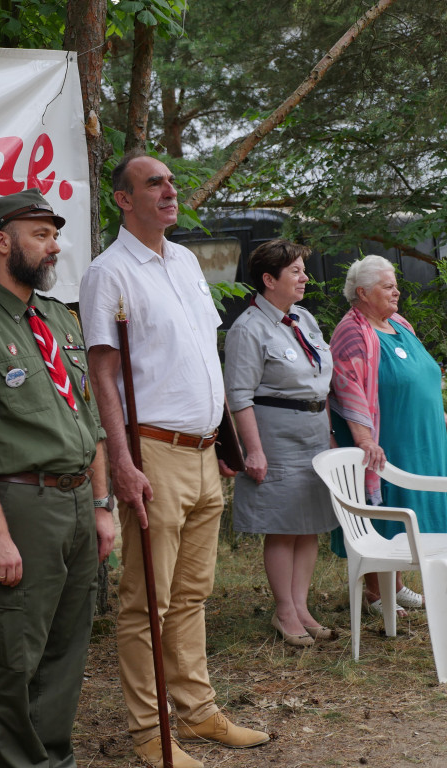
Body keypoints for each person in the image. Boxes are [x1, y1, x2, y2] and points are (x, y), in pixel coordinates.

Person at [79, 150, 270, 768]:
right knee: (146, 601)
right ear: (123, 199)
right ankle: (150, 735)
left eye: (170, 181)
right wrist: (123, 461)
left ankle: (198, 710)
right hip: (152, 452)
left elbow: (201, 357)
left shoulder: (186, 260)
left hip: (202, 451)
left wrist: (221, 439)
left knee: (193, 591)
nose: (168, 190)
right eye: (152, 183)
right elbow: (103, 377)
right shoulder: (108, 273)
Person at [0, 189, 116, 768]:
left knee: (64, 652)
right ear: (2, 241)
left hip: (80, 505)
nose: (54, 246)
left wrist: (104, 504)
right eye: (41, 234)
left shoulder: (58, 319)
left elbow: (89, 418)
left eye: (55, 234)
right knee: (12, 658)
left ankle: (52, 759)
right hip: (22, 507)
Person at [328, 254, 447, 615]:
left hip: (422, 436)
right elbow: (347, 387)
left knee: (413, 506)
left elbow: (422, 374)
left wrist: (440, 411)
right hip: (388, 438)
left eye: (395, 284)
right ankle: (375, 592)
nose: (397, 291)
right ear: (363, 292)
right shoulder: (352, 331)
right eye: (388, 286)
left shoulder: (399, 323)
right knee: (386, 509)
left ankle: (397, 585)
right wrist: (365, 440)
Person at [224, 239, 337, 648]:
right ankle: (284, 610)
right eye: (296, 271)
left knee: (309, 524)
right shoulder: (249, 328)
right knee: (283, 525)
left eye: (303, 270)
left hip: (313, 432)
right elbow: (239, 395)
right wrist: (253, 450)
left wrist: (328, 434)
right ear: (269, 280)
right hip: (276, 436)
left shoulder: (303, 319)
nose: (305, 278)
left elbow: (320, 383)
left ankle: (302, 607)